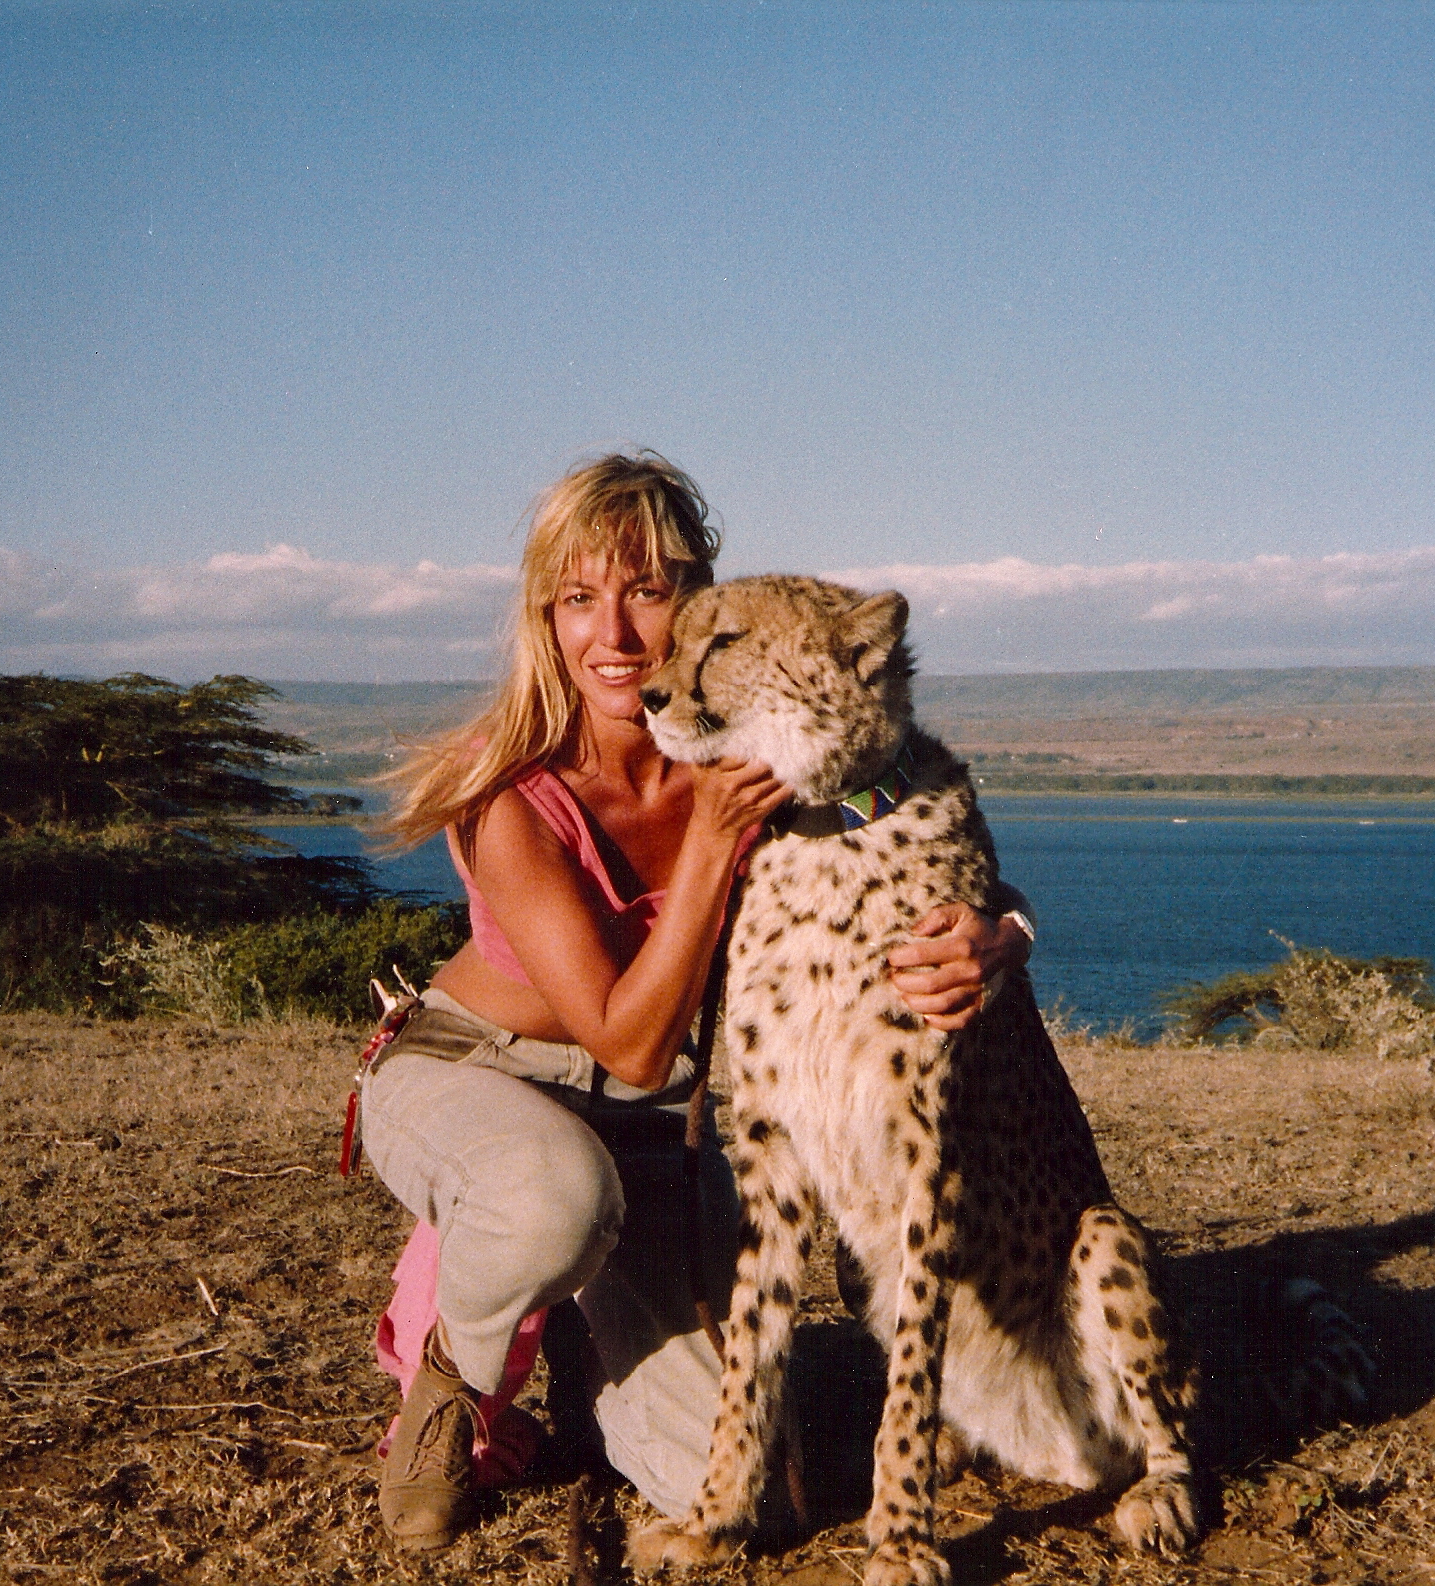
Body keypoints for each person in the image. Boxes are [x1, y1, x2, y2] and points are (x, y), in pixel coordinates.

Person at [361, 453, 1033, 1550]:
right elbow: (627, 1039)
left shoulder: (752, 747)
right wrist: (716, 841)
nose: (617, 634)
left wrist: (1001, 932)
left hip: (646, 1126)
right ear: (547, 618)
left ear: (703, 605)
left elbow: (915, 830)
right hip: (471, 1074)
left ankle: (592, 1354)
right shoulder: (510, 789)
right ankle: (449, 1386)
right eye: (580, 599)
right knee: (551, 1197)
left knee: (750, 1495)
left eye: (648, 590)